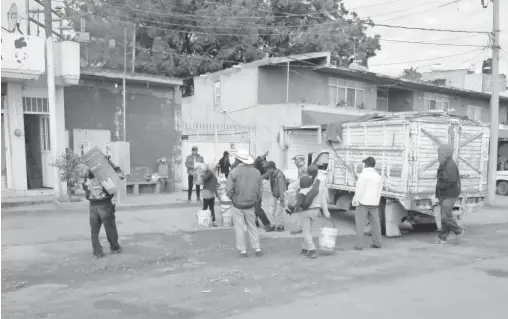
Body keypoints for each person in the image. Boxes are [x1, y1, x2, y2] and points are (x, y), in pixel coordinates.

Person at [82, 156, 125, 258]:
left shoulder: (88, 173)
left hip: (92, 205)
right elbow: (121, 176)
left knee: (94, 231)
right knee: (110, 228)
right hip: (105, 204)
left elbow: (84, 187)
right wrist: (113, 167)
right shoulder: (106, 173)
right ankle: (115, 248)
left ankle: (97, 251)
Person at [226, 149, 263, 257]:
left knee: (239, 227)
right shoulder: (256, 172)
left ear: (237, 160)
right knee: (252, 226)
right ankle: (257, 248)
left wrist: (233, 198)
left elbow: (229, 189)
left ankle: (243, 251)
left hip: (238, 204)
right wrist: (256, 199)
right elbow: (260, 189)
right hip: (251, 204)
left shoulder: (234, 172)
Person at [431, 145, 464, 244]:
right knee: (445, 215)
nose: (438, 156)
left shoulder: (450, 165)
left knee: (445, 217)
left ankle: (458, 231)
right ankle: (442, 238)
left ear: (446, 154)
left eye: (440, 154)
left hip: (450, 194)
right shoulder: (445, 163)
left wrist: (440, 186)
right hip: (445, 194)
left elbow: (451, 180)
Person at [352, 157, 383, 250]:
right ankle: (377, 243)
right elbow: (379, 190)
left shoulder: (363, 175)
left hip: (363, 203)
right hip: (374, 204)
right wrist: (377, 200)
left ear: (366, 164)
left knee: (360, 225)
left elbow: (359, 190)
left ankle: (359, 245)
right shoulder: (378, 176)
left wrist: (355, 200)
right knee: (376, 225)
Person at [300, 165, 331, 258]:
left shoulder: (303, 181)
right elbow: (323, 200)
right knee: (309, 231)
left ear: (307, 172)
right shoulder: (321, 184)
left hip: (305, 211)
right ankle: (304, 248)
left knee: (306, 231)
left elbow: (290, 187)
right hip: (316, 211)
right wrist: (326, 212)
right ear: (317, 173)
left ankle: (312, 249)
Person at [252, 151, 275, 232]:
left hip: (256, 192)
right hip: (253, 191)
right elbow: (257, 161)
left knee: (257, 209)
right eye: (262, 162)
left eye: (263, 161)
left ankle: (267, 225)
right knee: (255, 208)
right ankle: (256, 222)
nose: (263, 163)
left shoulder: (259, 170)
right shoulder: (256, 168)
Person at [264, 161, 287, 232]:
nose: (266, 171)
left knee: (279, 213)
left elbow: (282, 189)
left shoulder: (280, 176)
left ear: (271, 168)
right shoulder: (271, 174)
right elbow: (264, 176)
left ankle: (281, 226)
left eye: (267, 169)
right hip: (274, 195)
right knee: (271, 211)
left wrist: (282, 200)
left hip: (280, 196)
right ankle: (273, 225)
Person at [289, 155, 308, 235]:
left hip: (302, 192)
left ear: (300, 161)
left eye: (295, 160)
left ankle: (300, 228)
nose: (294, 162)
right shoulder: (301, 168)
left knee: (300, 210)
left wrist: (292, 185)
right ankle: (302, 227)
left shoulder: (303, 169)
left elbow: (301, 182)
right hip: (301, 191)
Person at [202, 162, 220, 227]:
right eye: (215, 167)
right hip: (208, 193)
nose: (216, 168)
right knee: (208, 208)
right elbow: (213, 186)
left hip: (209, 193)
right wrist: (218, 196)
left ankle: (212, 221)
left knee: (208, 207)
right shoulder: (209, 174)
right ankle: (205, 219)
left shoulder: (208, 174)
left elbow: (213, 184)